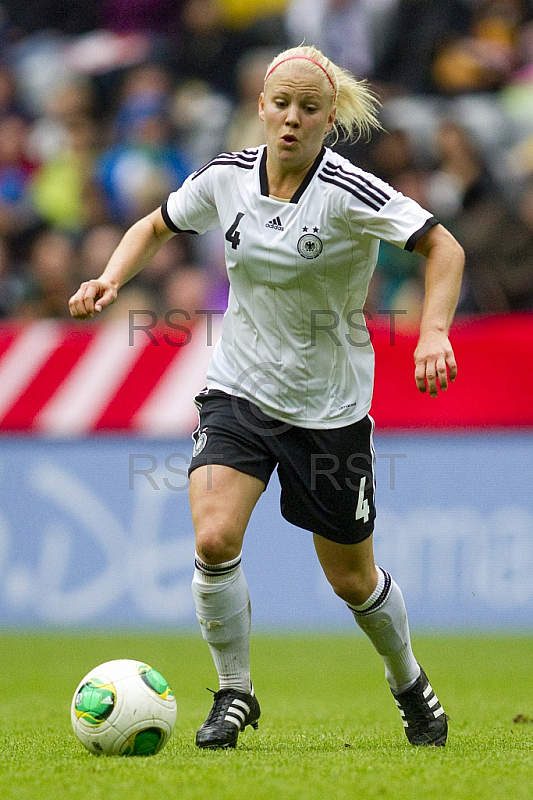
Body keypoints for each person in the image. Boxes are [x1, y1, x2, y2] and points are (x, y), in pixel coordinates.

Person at [69, 44, 465, 750]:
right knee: (214, 536)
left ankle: (408, 682)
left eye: (307, 108)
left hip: (329, 409)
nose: (290, 118)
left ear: (327, 117)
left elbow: (444, 248)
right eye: (279, 103)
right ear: (259, 106)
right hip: (239, 391)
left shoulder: (351, 191)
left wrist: (431, 331)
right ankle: (234, 694)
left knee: (351, 579)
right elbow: (154, 224)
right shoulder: (226, 178)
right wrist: (110, 279)